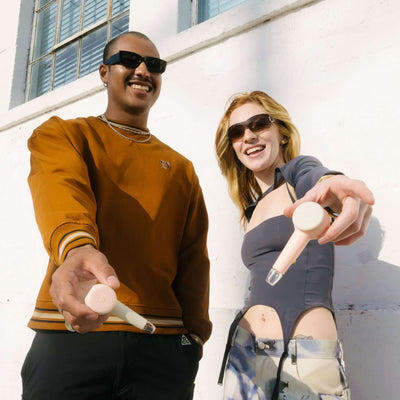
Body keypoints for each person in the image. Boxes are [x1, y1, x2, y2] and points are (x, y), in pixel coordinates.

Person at [21, 31, 211, 400]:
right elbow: (62, 190)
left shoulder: (182, 169)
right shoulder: (65, 134)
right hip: (72, 335)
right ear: (104, 72)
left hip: (163, 347)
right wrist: (77, 248)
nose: (143, 70)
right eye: (129, 60)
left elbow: (194, 259)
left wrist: (195, 338)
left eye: (154, 65)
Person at [215, 91, 374, 400]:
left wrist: (332, 183)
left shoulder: (299, 183)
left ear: (282, 133)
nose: (248, 136)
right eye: (237, 132)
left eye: (259, 124)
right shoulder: (250, 210)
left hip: (306, 356)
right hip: (248, 353)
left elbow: (317, 177)